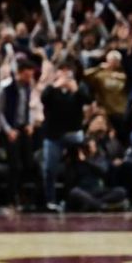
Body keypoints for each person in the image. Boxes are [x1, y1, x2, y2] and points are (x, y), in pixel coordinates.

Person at [39, 63, 88, 212]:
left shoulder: (79, 88)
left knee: (76, 168)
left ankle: (75, 199)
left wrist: (75, 90)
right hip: (53, 135)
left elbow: (87, 99)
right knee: (50, 169)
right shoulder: (51, 89)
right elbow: (44, 99)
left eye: (68, 72)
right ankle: (50, 200)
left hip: (73, 134)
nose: (65, 75)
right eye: (62, 72)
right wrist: (56, 86)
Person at [0, 61, 38, 208]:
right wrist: (8, 130)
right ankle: (11, 198)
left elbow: (29, 107)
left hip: (23, 127)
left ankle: (23, 194)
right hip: (9, 129)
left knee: (29, 163)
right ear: (19, 72)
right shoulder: (5, 87)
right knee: (14, 165)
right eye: (26, 75)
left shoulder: (27, 87)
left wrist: (30, 124)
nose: (29, 78)